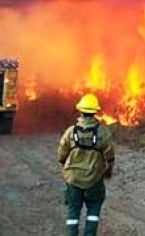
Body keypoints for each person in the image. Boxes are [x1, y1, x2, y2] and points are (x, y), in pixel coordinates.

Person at [57, 93, 115, 236]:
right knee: (94, 209)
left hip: (74, 180)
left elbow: (61, 155)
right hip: (94, 180)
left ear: (80, 111)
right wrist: (108, 171)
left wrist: (66, 167)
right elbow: (110, 157)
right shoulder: (103, 133)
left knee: (73, 210)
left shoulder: (71, 132)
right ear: (95, 112)